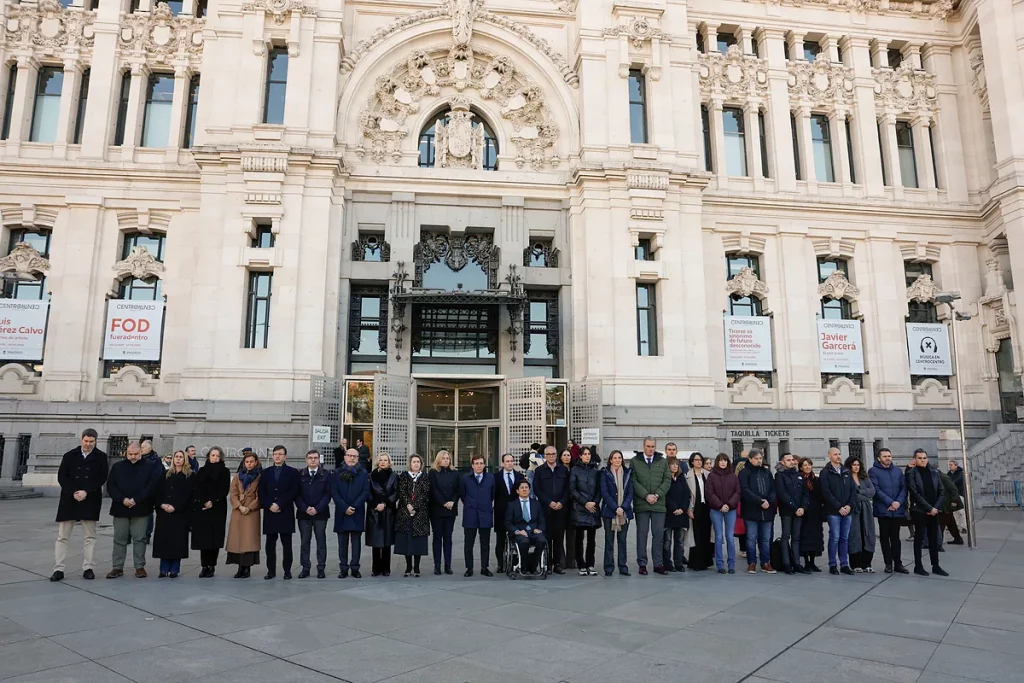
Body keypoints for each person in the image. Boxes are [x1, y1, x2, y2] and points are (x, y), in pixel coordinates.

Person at [52, 428, 109, 582]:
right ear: (81, 440)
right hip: (69, 499)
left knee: (89, 536)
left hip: (90, 499)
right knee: (63, 536)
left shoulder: (101, 457)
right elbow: (62, 476)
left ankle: (88, 567)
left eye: (91, 442)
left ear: (96, 441)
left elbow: (102, 477)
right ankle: (58, 568)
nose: (88, 444)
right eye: (86, 441)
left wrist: (87, 491)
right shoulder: (70, 455)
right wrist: (74, 491)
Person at [106, 441, 161, 578]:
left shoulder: (150, 466)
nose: (133, 456)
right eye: (130, 454)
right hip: (120, 507)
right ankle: (117, 567)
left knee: (140, 538)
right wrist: (122, 499)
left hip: (141, 507)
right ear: (126, 453)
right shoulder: (117, 466)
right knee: (119, 538)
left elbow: (151, 486)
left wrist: (137, 499)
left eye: (136, 454)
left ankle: (139, 566)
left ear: (141, 453)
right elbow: (111, 486)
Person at [260, 445, 300, 580]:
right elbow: (262, 492)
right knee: (270, 544)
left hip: (285, 511)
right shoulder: (265, 472)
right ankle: (271, 570)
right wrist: (270, 504)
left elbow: (293, 491)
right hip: (270, 511)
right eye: (275, 454)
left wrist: (279, 503)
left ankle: (287, 570)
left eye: (280, 454)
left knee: (286, 543)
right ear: (272, 456)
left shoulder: (293, 472)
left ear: (285, 456)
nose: (277, 456)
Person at [906, 449, 949, 576]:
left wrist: (935, 508)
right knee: (919, 538)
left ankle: (935, 565)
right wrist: (928, 508)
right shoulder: (911, 474)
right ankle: (918, 566)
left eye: (924, 458)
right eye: (920, 458)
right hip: (919, 510)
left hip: (934, 511)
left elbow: (941, 491)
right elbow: (915, 493)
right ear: (915, 459)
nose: (923, 460)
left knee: (933, 538)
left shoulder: (934, 473)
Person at [632, 436, 670, 575]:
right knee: (642, 535)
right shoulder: (635, 461)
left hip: (658, 505)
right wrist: (646, 495)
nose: (650, 449)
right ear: (643, 446)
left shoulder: (663, 461)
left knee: (658, 535)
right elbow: (633, 480)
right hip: (642, 504)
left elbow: (667, 480)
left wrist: (657, 495)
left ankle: (658, 564)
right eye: (648, 446)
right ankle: (642, 564)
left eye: (653, 446)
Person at [153, 450, 194, 578]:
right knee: (164, 541)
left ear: (185, 460)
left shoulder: (190, 476)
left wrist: (176, 506)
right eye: (176, 457)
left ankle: (175, 569)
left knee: (177, 542)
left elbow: (189, 495)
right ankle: (163, 568)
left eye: (181, 457)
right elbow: (158, 492)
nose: (178, 459)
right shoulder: (165, 474)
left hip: (180, 514)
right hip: (164, 513)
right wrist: (161, 505)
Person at [191, 446, 230, 578]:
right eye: (213, 455)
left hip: (217, 508)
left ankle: (212, 565)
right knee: (204, 538)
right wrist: (204, 501)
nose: (215, 458)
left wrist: (212, 501)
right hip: (203, 508)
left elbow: (224, 489)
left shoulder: (225, 471)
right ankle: (204, 566)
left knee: (215, 538)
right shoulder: (202, 471)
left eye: (217, 456)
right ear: (208, 456)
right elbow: (197, 488)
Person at [869, 448, 909, 574]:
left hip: (897, 510)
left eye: (889, 456)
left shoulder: (897, 471)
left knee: (896, 538)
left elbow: (904, 488)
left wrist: (898, 502)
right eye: (885, 456)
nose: (888, 458)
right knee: (885, 538)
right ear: (879, 458)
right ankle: (888, 564)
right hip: (884, 510)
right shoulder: (873, 471)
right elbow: (876, 489)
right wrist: (890, 502)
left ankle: (898, 563)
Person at [332, 448, 370, 578]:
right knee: (342, 542)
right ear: (345, 457)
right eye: (349, 455)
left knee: (356, 542)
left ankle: (355, 567)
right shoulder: (337, 473)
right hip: (342, 512)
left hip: (357, 511)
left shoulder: (364, 473)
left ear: (358, 458)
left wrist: (354, 506)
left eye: (354, 456)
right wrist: (344, 507)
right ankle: (343, 568)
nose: (352, 458)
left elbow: (365, 492)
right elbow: (334, 492)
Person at [738, 449, 776, 574]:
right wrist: (760, 501)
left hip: (767, 511)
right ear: (750, 459)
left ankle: (765, 563)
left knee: (766, 538)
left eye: (760, 458)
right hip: (751, 510)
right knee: (751, 538)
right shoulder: (744, 472)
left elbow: (773, 489)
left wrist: (768, 501)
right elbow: (745, 490)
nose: (759, 460)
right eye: (756, 458)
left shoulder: (766, 472)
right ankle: (752, 563)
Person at [534, 445, 570, 573]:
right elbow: (537, 489)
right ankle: (547, 564)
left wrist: (561, 502)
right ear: (544, 456)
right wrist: (549, 502)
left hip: (561, 509)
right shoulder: (539, 471)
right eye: (548, 454)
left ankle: (557, 564)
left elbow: (567, 489)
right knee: (547, 537)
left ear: (556, 455)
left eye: (553, 454)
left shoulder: (563, 470)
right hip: (546, 509)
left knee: (559, 537)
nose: (551, 456)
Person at [820, 447, 856, 576]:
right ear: (829, 456)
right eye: (835, 454)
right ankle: (832, 564)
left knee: (844, 538)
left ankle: (844, 564)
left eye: (839, 454)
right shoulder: (825, 472)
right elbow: (826, 492)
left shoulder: (846, 471)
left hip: (847, 511)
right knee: (834, 537)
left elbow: (853, 490)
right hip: (833, 511)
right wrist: (838, 507)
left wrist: (849, 506)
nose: (838, 456)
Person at [296, 449, 331, 579]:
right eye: (310, 457)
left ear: (319, 460)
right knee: (305, 542)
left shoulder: (326, 475)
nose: (313, 460)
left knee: (321, 542)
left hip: (320, 514)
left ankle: (321, 568)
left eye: (315, 458)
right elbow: (297, 494)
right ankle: (305, 568)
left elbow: (328, 494)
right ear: (306, 460)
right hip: (303, 514)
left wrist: (317, 508)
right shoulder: (300, 474)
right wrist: (305, 508)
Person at [227, 452, 262, 578]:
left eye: (251, 461)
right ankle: (239, 567)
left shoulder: (259, 476)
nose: (249, 464)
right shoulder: (237, 476)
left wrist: (250, 507)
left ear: (256, 462)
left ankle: (247, 568)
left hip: (251, 512)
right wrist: (239, 506)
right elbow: (233, 492)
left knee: (249, 539)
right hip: (238, 511)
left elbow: (260, 495)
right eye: (247, 462)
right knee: (237, 539)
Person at [395, 454, 430, 577]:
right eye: (414, 462)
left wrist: (415, 507)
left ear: (421, 464)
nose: (416, 464)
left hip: (420, 513)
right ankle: (408, 566)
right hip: (405, 512)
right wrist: (408, 505)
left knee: (418, 541)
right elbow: (402, 491)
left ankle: (417, 567)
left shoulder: (425, 477)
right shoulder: (404, 476)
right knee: (406, 540)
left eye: (418, 462)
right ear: (410, 464)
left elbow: (425, 493)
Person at [600, 450, 634, 576]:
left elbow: (630, 492)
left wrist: (623, 507)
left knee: (622, 540)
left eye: (619, 457)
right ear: (610, 460)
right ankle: (608, 567)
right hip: (609, 512)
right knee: (609, 540)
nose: (617, 460)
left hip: (624, 512)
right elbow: (604, 492)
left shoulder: (628, 473)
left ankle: (623, 566)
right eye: (615, 458)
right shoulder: (605, 473)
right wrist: (616, 508)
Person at [461, 454, 495, 577]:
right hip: (470, 514)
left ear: (484, 465)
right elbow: (462, 495)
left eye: (481, 463)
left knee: (485, 543)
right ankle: (469, 568)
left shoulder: (490, 478)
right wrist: (471, 504)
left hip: (485, 513)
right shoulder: (465, 478)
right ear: (472, 465)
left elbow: (492, 494)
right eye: (476, 463)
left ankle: (484, 567)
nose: (479, 466)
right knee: (468, 544)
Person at [707, 453, 740, 574]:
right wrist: (720, 505)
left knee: (730, 537)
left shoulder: (733, 476)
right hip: (716, 509)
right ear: (717, 462)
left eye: (725, 460)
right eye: (721, 460)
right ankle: (720, 564)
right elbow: (710, 493)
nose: (723, 462)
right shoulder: (712, 476)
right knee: (719, 537)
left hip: (730, 510)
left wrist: (728, 505)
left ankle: (731, 565)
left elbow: (737, 492)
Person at [775, 453, 808, 574]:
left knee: (796, 537)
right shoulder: (780, 475)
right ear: (783, 462)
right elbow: (782, 493)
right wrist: (795, 507)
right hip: (787, 511)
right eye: (788, 460)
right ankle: (786, 563)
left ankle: (797, 563)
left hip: (799, 511)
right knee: (786, 536)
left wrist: (803, 507)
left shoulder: (798, 475)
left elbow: (805, 493)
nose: (791, 462)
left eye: (792, 459)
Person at [570, 446, 601, 576]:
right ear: (580, 456)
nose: (587, 456)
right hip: (580, 508)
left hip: (593, 508)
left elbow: (600, 489)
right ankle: (581, 564)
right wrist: (585, 502)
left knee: (592, 539)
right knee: (579, 538)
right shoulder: (575, 470)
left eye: (589, 454)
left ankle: (590, 564)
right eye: (585, 454)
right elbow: (572, 489)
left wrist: (594, 502)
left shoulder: (595, 470)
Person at [366, 452, 399, 576]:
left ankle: (386, 568)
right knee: (375, 541)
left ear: (389, 462)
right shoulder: (371, 476)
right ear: (377, 462)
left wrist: (385, 504)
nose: (383, 462)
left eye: (385, 460)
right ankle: (375, 568)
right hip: (374, 512)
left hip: (388, 511)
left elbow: (396, 493)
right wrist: (376, 504)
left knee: (386, 541)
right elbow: (367, 492)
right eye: (381, 460)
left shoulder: (394, 476)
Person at [429, 450, 460, 575]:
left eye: (448, 458)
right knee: (437, 537)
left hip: (450, 510)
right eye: (444, 458)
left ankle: (448, 565)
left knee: (448, 537)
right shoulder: (433, 472)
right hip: (437, 509)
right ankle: (437, 565)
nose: (446, 460)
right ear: (439, 459)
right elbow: (433, 490)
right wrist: (443, 502)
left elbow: (458, 489)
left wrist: (452, 501)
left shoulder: (455, 473)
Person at [506, 480, 547, 573]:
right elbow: (508, 522)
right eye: (522, 488)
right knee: (524, 541)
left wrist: (540, 529)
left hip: (534, 531)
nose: (524, 490)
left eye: (526, 488)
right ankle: (524, 566)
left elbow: (542, 520)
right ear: (517, 491)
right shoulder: (512, 505)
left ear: (529, 490)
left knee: (542, 540)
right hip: (520, 532)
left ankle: (534, 565)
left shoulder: (536, 504)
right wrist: (517, 531)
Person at [494, 453, 525, 572]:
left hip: (516, 513)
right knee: (500, 540)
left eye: (511, 461)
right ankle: (500, 564)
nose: (509, 463)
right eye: (507, 461)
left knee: (517, 538)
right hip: (500, 512)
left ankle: (516, 563)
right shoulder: (495, 477)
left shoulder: (519, 476)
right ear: (502, 463)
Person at [845, 456, 877, 573]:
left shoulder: (864, 477)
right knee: (855, 534)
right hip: (854, 508)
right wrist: (862, 494)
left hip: (866, 509)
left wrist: (860, 491)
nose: (856, 467)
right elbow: (849, 494)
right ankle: (855, 564)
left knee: (867, 533)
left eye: (858, 465)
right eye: (854, 465)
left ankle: (867, 563)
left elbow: (872, 491)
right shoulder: (847, 477)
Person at [685, 453, 713, 571]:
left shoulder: (707, 474)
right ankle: (696, 562)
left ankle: (706, 561)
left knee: (706, 533)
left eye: (700, 460)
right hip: (695, 508)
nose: (698, 462)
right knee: (696, 534)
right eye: (696, 460)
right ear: (692, 462)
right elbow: (686, 495)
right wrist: (689, 509)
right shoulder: (688, 475)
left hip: (707, 507)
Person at [662, 456, 691, 573]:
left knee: (679, 541)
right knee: (667, 541)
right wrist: (674, 508)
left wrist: (682, 509)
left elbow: (686, 495)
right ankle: (667, 563)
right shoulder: (665, 479)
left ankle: (678, 563)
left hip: (681, 514)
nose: (675, 466)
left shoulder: (682, 478)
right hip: (669, 514)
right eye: (672, 464)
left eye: (676, 464)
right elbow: (666, 495)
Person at [798, 458, 825, 572]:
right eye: (805, 465)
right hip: (805, 511)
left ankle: (813, 562)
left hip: (816, 511)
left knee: (815, 537)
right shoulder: (799, 479)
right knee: (805, 537)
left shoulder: (816, 479)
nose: (808, 467)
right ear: (801, 467)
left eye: (809, 465)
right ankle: (806, 562)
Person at [559, 449, 577, 570]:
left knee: (572, 536)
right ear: (560, 457)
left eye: (568, 455)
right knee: (559, 535)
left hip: (574, 506)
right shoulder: (558, 470)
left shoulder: (574, 469)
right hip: (561, 505)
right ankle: (561, 560)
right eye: (564, 455)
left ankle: (571, 561)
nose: (567, 457)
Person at [937, 466, 965, 547]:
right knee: (950, 523)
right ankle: (958, 539)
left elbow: (954, 489)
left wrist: (954, 501)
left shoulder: (944, 478)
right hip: (946, 503)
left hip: (947, 504)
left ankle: (939, 542)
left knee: (941, 523)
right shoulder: (941, 477)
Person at [140, 440, 159, 544]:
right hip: (140, 489)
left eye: (143, 447)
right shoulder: (139, 458)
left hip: (150, 491)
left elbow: (157, 476)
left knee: (148, 513)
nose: (141, 449)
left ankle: (147, 534)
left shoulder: (155, 460)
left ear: (149, 448)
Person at [947, 459, 967, 535]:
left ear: (956, 465)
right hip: (952, 495)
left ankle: (964, 526)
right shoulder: (949, 474)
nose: (950, 466)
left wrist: (951, 484)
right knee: (954, 512)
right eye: (949, 465)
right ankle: (957, 526)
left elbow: (956, 481)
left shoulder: (960, 473)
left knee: (961, 511)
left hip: (959, 494)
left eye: (951, 465)